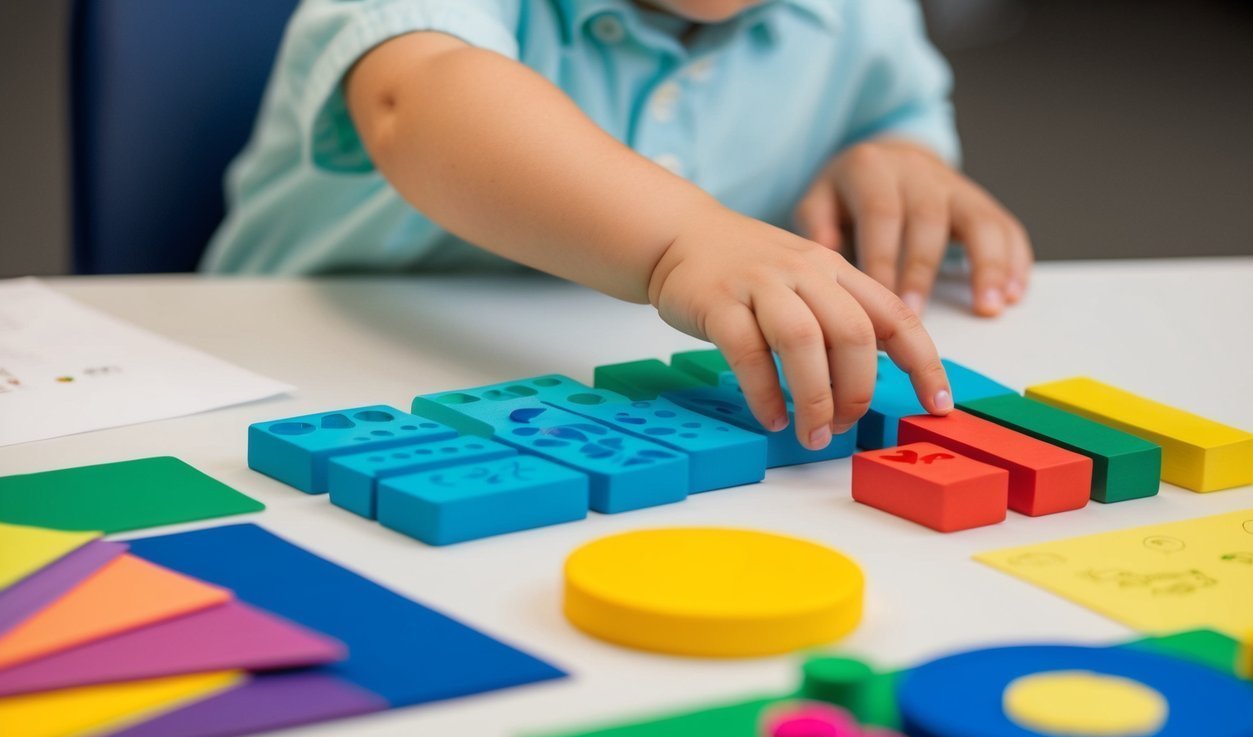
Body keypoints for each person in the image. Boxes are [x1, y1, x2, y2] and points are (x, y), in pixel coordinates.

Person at [204, 0, 1033, 450]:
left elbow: (895, 112)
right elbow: (411, 100)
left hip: (603, 397)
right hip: (285, 379)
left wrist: (892, 159)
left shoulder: (864, 15)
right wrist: (683, 240)